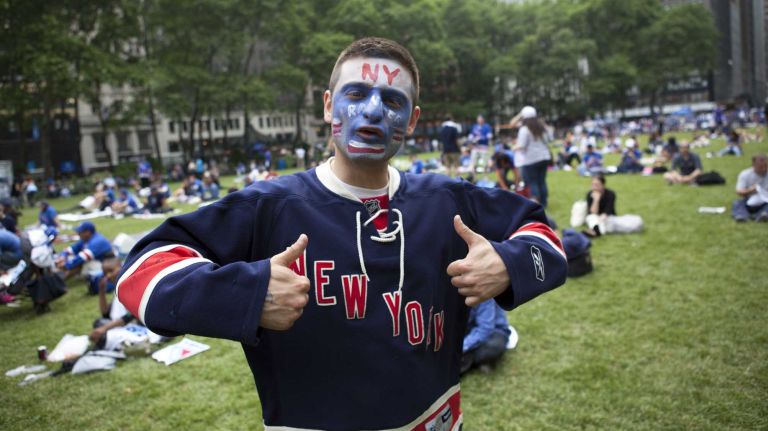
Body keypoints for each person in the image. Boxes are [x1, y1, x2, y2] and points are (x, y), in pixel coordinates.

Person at [116, 37, 567, 431]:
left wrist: (507, 264)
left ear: (412, 120)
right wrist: (247, 293)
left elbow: (544, 235)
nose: (372, 109)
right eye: (357, 93)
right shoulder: (269, 207)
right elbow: (140, 273)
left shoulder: (447, 201)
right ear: (329, 104)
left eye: (392, 100)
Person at [511, 106, 552, 207]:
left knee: (533, 182)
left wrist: (514, 147)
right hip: (544, 157)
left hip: (531, 159)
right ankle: (544, 202)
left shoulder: (524, 129)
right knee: (541, 181)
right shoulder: (542, 127)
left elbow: (522, 145)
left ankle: (536, 204)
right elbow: (549, 140)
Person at [460, 299, 512, 375]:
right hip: (468, 331)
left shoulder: (482, 292)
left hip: (493, 332)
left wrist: (460, 348)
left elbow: (485, 329)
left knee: (493, 347)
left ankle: (469, 360)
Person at [732, 153, 768, 222]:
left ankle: (763, 215)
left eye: (765, 166)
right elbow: (739, 191)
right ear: (754, 165)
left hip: (765, 201)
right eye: (761, 167)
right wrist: (751, 190)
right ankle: (741, 216)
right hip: (749, 200)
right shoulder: (745, 174)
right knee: (737, 203)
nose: (763, 169)